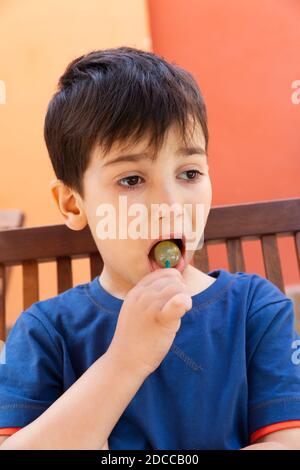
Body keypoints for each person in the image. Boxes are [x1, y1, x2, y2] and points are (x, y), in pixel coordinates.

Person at [1, 47, 300, 450]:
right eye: (131, 180)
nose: (171, 206)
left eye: (190, 173)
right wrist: (125, 361)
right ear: (74, 203)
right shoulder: (47, 332)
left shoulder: (254, 310)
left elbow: (287, 442)